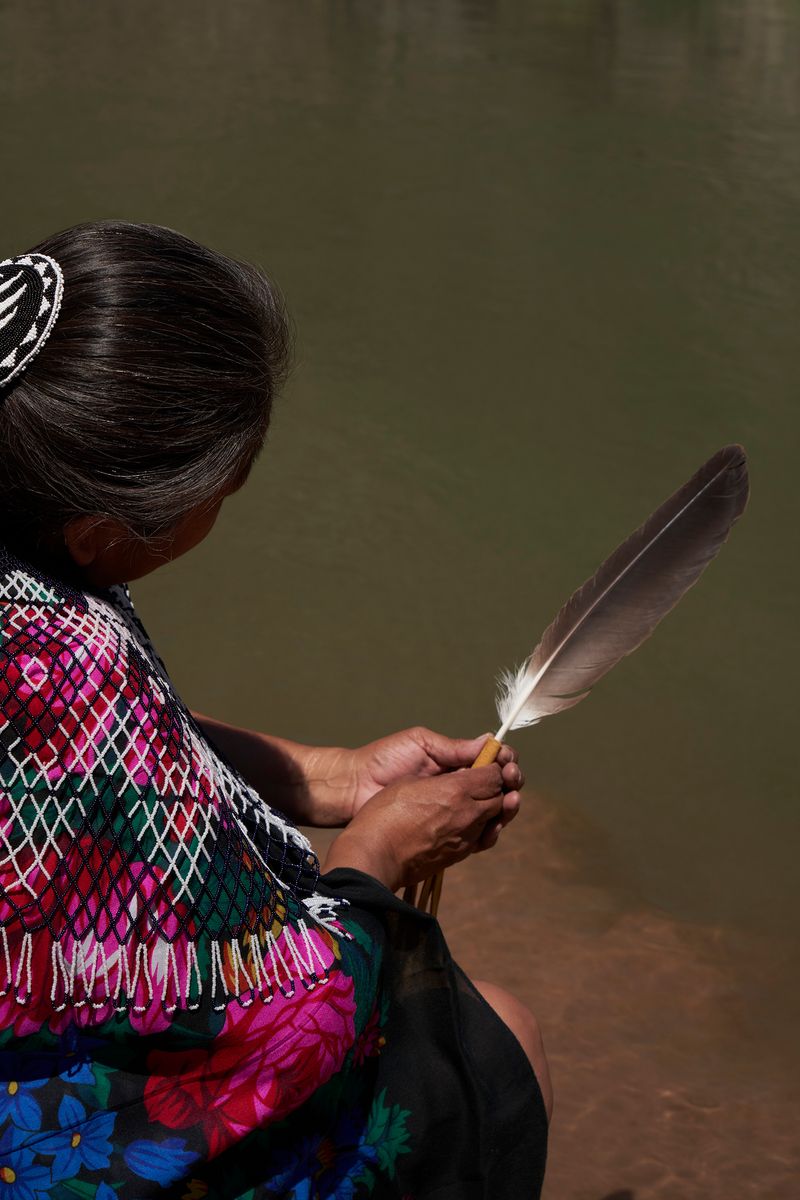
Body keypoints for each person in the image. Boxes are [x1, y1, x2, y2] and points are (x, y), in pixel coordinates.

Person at [0, 221, 551, 1198]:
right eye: (224, 484)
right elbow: (280, 1020)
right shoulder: (73, 670)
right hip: (65, 1138)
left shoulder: (36, 596)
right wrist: (376, 855)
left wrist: (330, 775)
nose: (229, 497)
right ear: (96, 533)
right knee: (495, 1058)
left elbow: (112, 757)